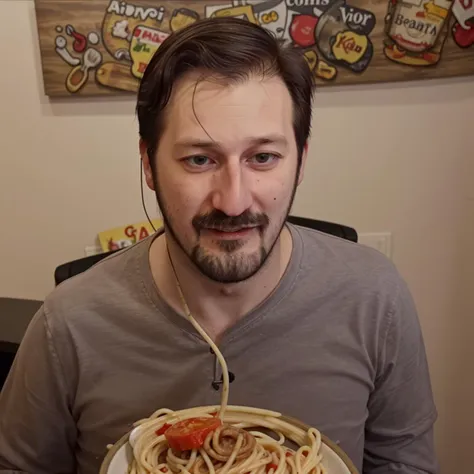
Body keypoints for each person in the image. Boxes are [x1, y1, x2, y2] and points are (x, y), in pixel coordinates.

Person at [0, 17, 438, 474]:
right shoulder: (66, 323)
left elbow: (405, 464)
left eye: (263, 157)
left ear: (300, 162)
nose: (233, 201)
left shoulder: (375, 297)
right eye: (199, 159)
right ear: (149, 165)